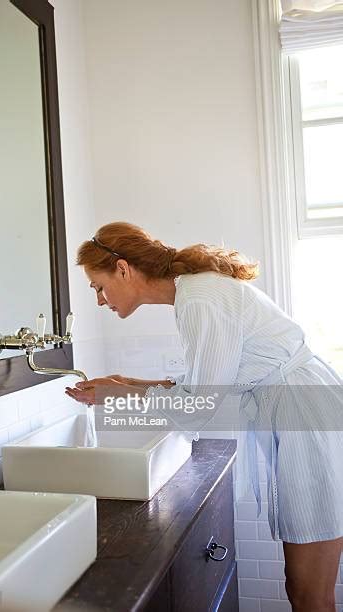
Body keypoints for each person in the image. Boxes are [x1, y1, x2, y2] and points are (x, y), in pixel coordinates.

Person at [66, 221, 343, 612]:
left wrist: (118, 395)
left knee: (308, 592)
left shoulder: (199, 298)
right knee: (303, 588)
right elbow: (206, 384)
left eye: (98, 286)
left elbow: (198, 409)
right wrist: (129, 382)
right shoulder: (194, 292)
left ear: (124, 269)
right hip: (305, 408)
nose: (99, 300)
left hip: (307, 416)